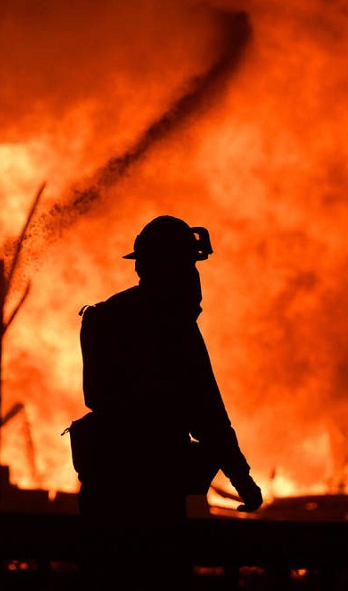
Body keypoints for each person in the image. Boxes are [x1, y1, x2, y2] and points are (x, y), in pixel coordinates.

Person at [74, 215, 262, 588]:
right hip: (152, 490)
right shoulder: (172, 325)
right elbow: (207, 412)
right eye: (188, 264)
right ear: (170, 266)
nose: (194, 276)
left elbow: (95, 395)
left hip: (104, 485)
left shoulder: (106, 315)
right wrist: (241, 478)